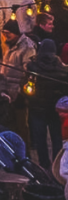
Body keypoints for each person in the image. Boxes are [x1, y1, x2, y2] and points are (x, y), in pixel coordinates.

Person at [25, 39, 68, 169]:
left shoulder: (32, 67)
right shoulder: (63, 70)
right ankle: (56, 165)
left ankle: (44, 165)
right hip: (55, 111)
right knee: (56, 139)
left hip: (37, 110)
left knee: (40, 139)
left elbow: (25, 88)